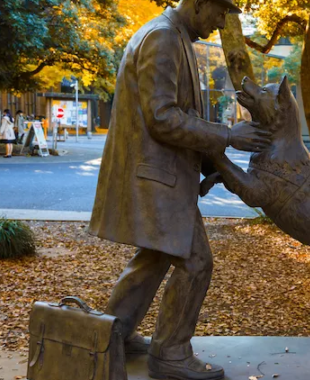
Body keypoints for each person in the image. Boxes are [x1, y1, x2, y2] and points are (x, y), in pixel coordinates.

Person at [88, 1, 269, 380]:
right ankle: (170, 352)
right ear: (200, 4)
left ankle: (111, 334)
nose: (223, 21)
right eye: (221, 12)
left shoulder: (174, 35)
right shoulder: (164, 37)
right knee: (195, 261)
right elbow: (162, 117)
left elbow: (176, 113)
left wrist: (211, 162)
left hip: (160, 173)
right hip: (157, 177)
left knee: (154, 257)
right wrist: (228, 136)